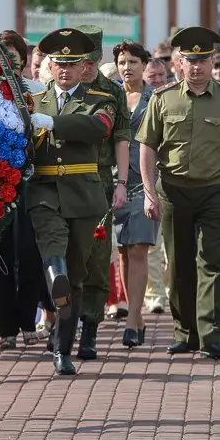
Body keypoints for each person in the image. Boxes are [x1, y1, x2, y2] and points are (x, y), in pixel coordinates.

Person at [138, 26, 220, 360]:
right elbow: (147, 147)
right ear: (179, 62)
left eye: (204, 60)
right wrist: (149, 193)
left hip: (215, 192)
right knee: (179, 263)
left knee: (212, 264)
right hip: (173, 192)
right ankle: (184, 332)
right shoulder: (163, 99)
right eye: (191, 60)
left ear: (214, 60)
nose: (197, 66)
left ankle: (211, 337)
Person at [27, 28, 118, 376]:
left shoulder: (101, 99)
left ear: (85, 68)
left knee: (76, 276)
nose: (64, 70)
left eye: (72, 64)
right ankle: (55, 272)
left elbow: (100, 128)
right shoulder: (33, 101)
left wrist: (53, 123)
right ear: (49, 66)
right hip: (44, 190)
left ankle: (63, 349)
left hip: (83, 194)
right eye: (58, 63)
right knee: (55, 253)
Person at [0, 31, 48, 349]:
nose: (10, 61)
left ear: (23, 59)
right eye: (3, 55)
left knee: (31, 256)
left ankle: (27, 320)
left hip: (31, 184)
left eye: (15, 55)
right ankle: (6, 325)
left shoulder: (37, 91)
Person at [75, 25, 131, 361]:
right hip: (61, 180)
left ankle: (90, 328)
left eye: (91, 61)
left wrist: (122, 182)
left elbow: (121, 137)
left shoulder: (111, 90)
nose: (86, 67)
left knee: (97, 257)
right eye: (82, 60)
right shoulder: (57, 85)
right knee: (66, 256)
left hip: (99, 180)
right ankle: (61, 324)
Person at [112, 40, 158, 346]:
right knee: (125, 251)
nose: (127, 68)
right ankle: (137, 318)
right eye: (122, 62)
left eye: (132, 62)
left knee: (140, 247)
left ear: (144, 65)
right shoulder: (111, 96)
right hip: (116, 181)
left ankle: (131, 322)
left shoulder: (156, 98)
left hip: (146, 181)